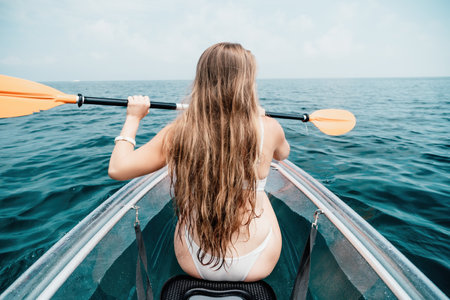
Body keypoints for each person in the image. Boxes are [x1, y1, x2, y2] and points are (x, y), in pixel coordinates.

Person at [108, 42, 290, 282]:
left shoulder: (178, 132)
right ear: (247, 84)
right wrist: (259, 117)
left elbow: (118, 168)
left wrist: (133, 117)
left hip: (194, 259)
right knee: (260, 193)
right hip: (258, 261)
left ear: (202, 80)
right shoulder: (270, 128)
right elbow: (283, 154)